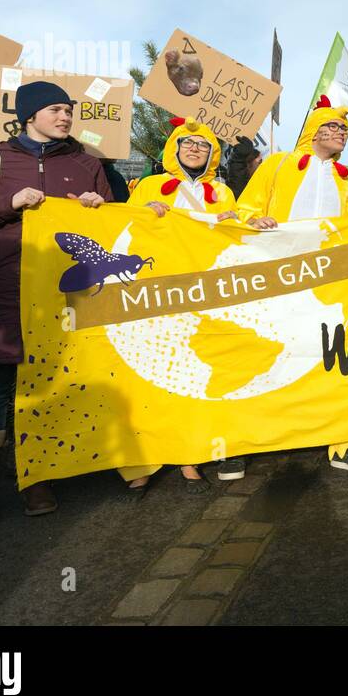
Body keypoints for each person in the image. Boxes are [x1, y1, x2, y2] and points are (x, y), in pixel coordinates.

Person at [0, 81, 112, 528]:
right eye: (56, 109)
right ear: (29, 115)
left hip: (61, 295)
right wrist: (6, 204)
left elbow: (111, 233)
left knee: (46, 386)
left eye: (69, 111)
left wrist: (99, 209)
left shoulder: (86, 164)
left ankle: (37, 474)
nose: (65, 117)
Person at [237, 95, 348, 476]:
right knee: (264, 356)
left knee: (331, 360)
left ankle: (341, 445)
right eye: (334, 127)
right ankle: (242, 442)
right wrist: (253, 221)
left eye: (345, 130)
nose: (341, 134)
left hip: (326, 282)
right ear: (314, 131)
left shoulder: (347, 178)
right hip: (277, 277)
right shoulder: (279, 164)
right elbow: (248, 206)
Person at [122, 117, 240, 494]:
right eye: (187, 143)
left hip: (206, 294)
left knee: (192, 374)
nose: (194, 149)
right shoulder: (149, 186)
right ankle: (142, 458)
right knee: (152, 374)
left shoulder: (222, 193)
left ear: (212, 153)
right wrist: (143, 213)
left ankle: (189, 454)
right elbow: (124, 231)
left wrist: (236, 221)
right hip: (160, 293)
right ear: (173, 149)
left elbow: (236, 237)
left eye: (203, 145)